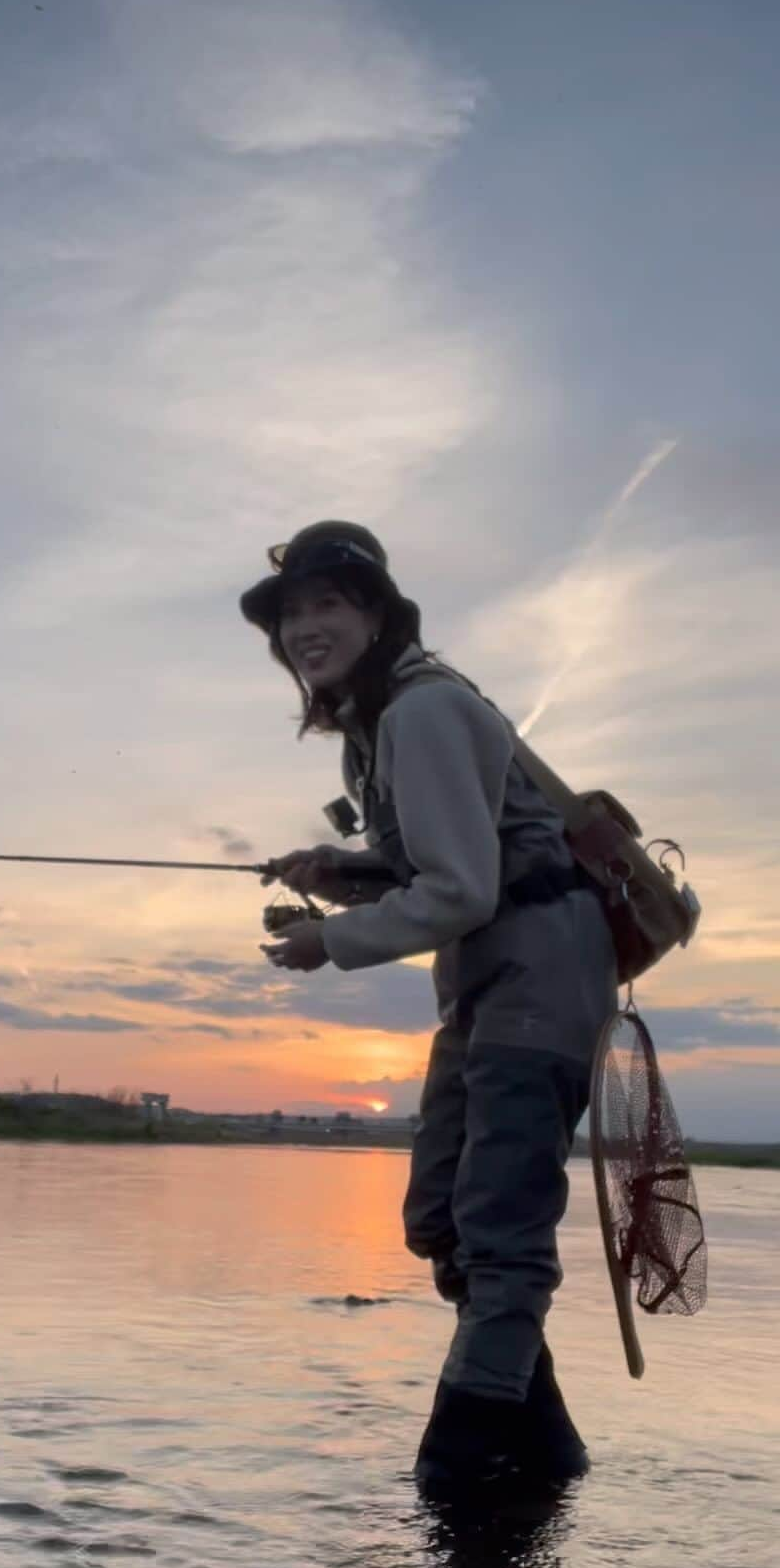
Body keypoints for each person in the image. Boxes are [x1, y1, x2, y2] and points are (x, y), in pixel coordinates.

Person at [241, 522, 617, 1497]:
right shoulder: (374, 731)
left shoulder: (425, 711)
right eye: (290, 614)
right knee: (441, 1217)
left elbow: (460, 891)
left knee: (497, 1226)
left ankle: (457, 1470)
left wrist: (332, 941)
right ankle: (546, 1461)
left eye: (329, 603)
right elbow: (454, 862)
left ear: (376, 614)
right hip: (489, 980)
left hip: (543, 973)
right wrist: (346, 874)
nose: (305, 627)